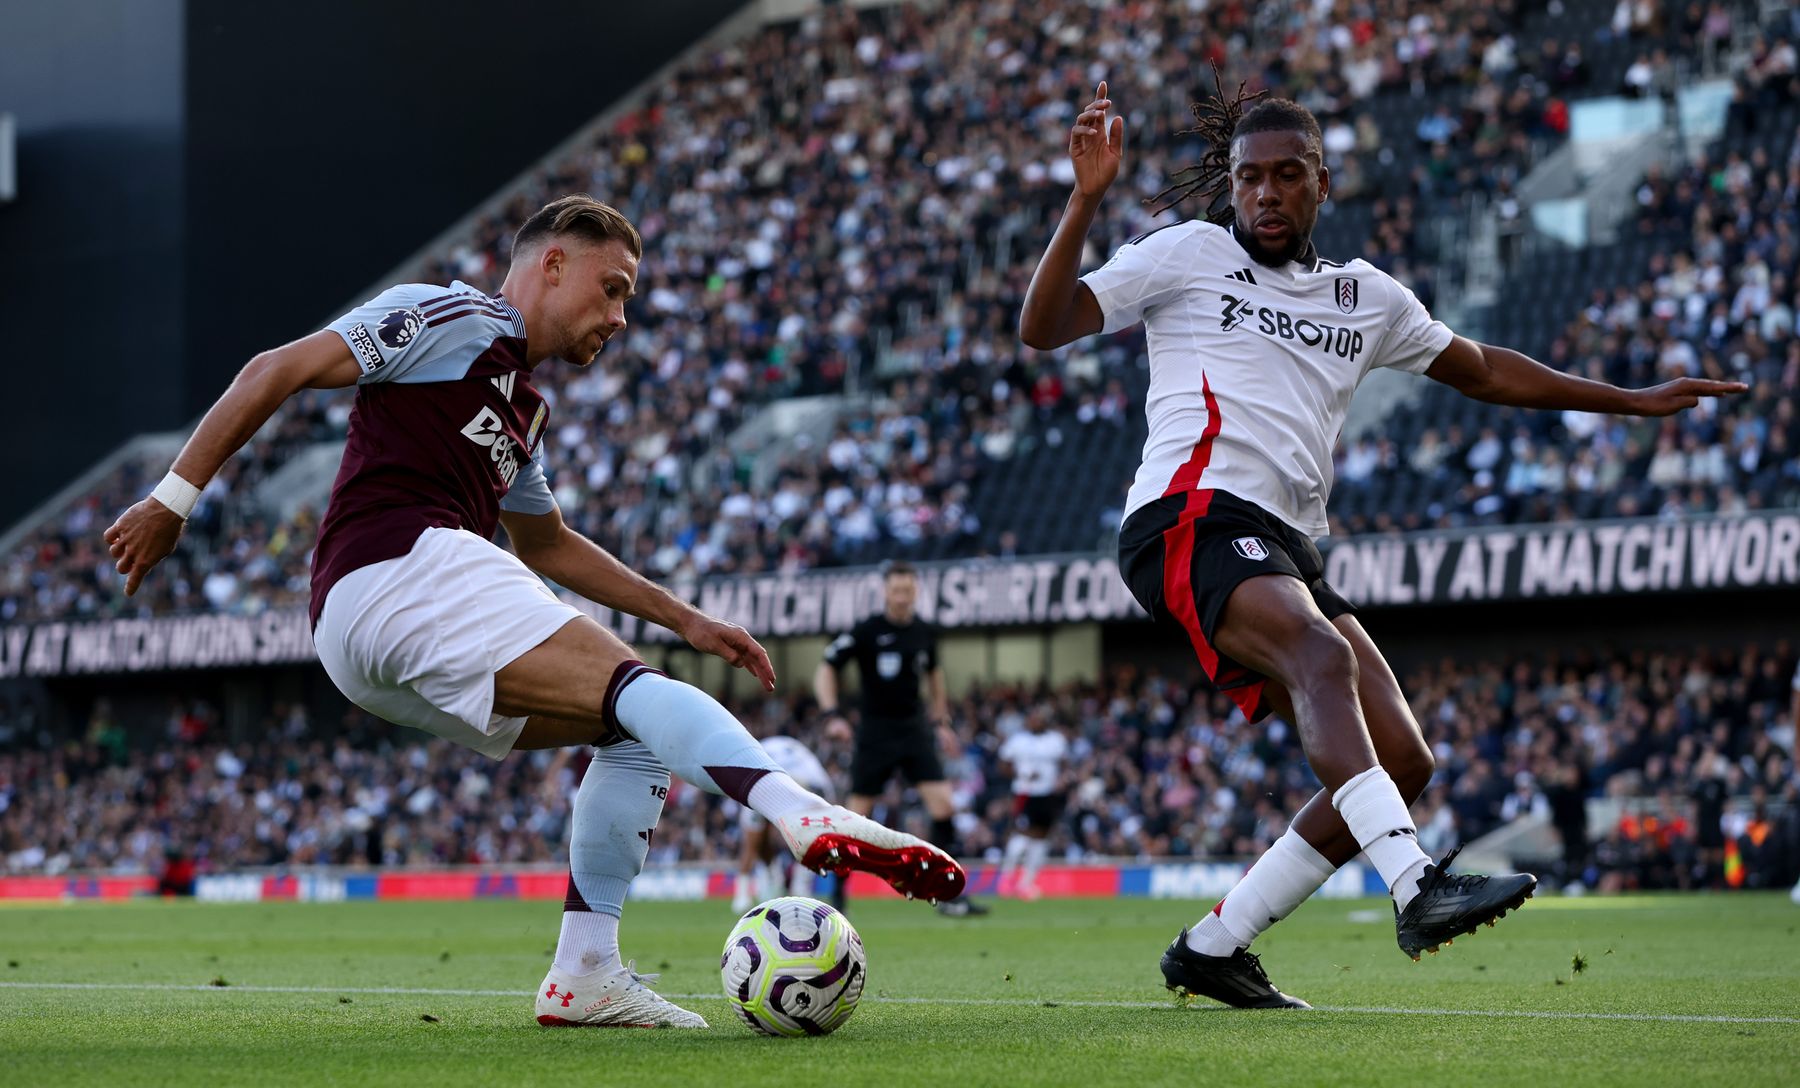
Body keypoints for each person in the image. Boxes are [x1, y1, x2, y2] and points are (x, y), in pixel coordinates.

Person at [103, 194, 965, 1029]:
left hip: (371, 638)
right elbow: (276, 369)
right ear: (552, 264)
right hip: (395, 563)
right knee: (636, 690)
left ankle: (585, 974)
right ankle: (800, 810)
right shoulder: (452, 317)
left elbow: (546, 544)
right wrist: (172, 501)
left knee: (632, 732)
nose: (621, 316)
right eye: (613, 286)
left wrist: (686, 619)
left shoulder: (522, 408)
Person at [1018, 76, 1744, 1008]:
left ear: (1322, 181)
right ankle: (1415, 886)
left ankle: (1213, 945)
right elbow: (1044, 329)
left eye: (1288, 175)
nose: (1266, 194)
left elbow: (1484, 371)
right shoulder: (1185, 254)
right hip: (1188, 515)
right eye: (1249, 178)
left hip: (1286, 543)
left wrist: (1628, 398)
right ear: (1230, 186)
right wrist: (1084, 202)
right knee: (1320, 656)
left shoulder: (1365, 296)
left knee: (1404, 762)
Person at [815, 560, 988, 917]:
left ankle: (948, 898)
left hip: (914, 729)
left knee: (944, 807)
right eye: (896, 590)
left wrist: (941, 721)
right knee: (855, 816)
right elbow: (826, 668)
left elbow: (935, 676)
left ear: (916, 591)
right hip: (875, 732)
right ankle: (838, 900)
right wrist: (832, 715)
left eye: (908, 590)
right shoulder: (866, 631)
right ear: (885, 592)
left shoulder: (924, 631)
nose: (902, 596)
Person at [732, 732, 836, 914]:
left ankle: (794, 882)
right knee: (757, 839)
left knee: (809, 836)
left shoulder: (817, 785)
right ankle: (779, 880)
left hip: (776, 773)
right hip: (767, 773)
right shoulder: (760, 778)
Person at [996, 707, 1071, 900]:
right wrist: (1021, 775)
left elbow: (1064, 764)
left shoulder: (1056, 740)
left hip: (1047, 794)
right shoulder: (1018, 741)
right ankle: (1006, 879)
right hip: (1025, 792)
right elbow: (1003, 765)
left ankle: (1026, 883)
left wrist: (1062, 779)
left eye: (1039, 719)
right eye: (1032, 718)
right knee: (1021, 834)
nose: (1035, 722)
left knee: (1042, 836)